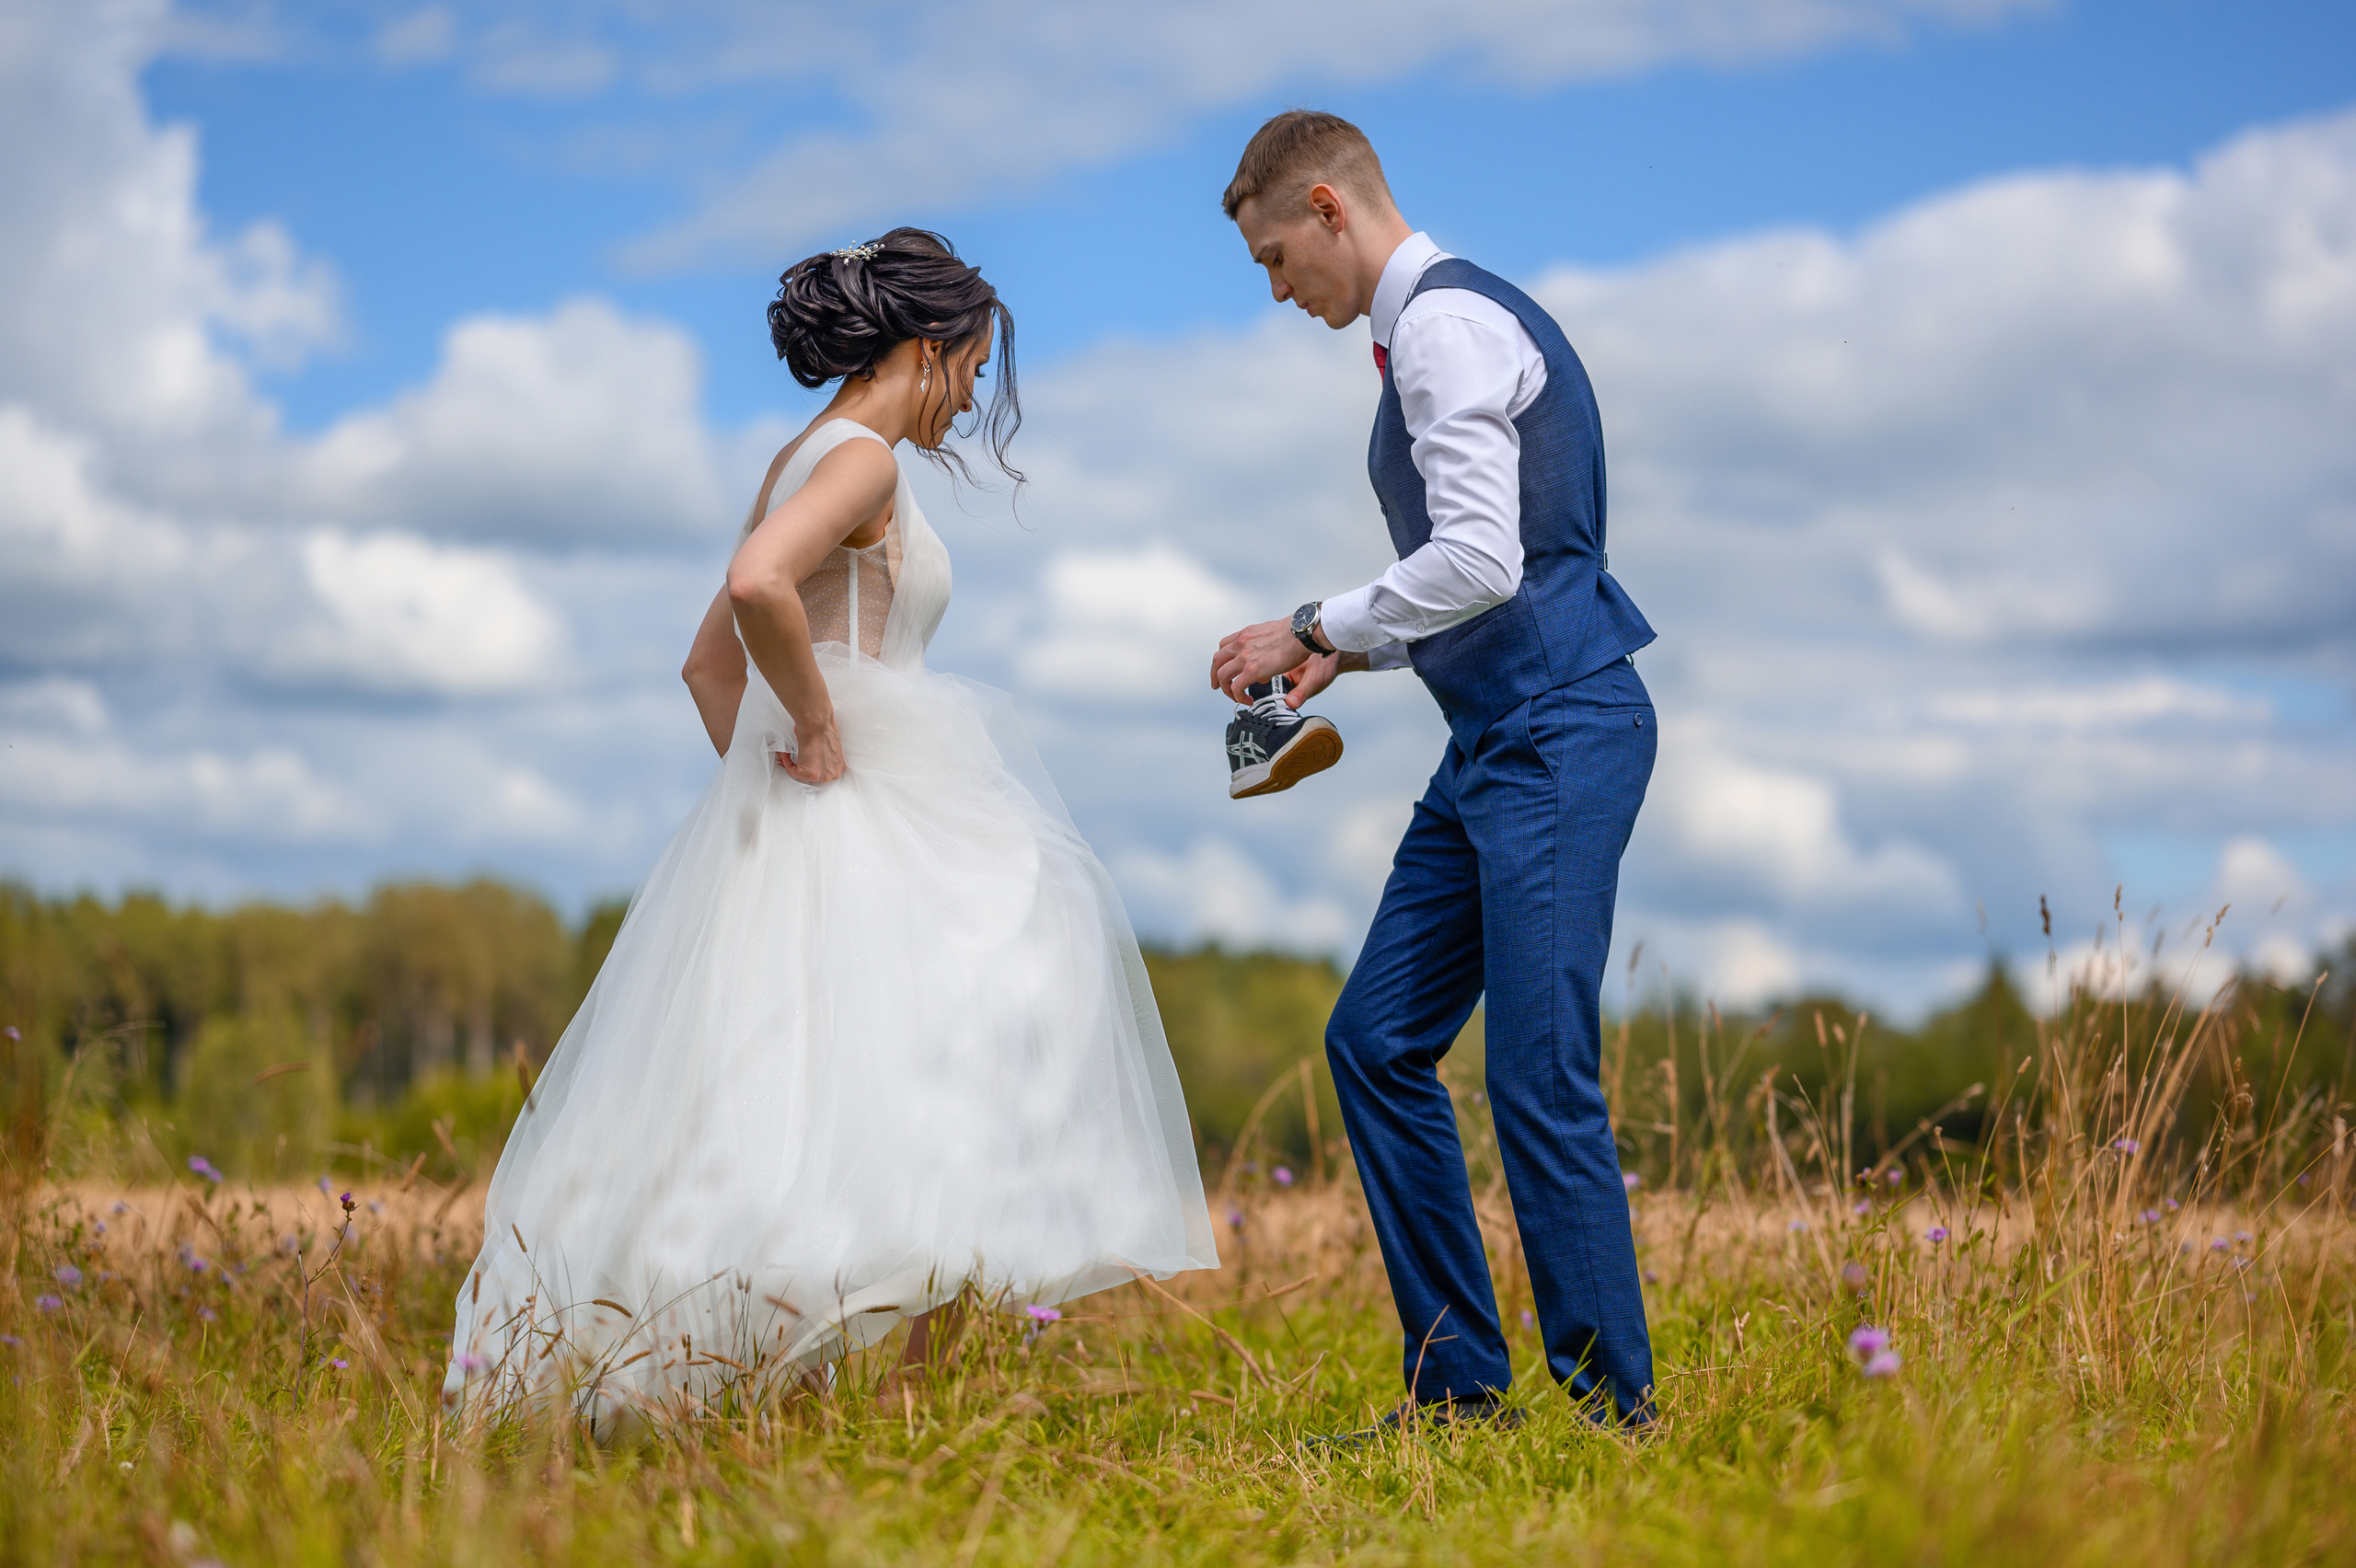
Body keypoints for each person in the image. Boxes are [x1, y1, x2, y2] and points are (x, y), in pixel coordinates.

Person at [445, 228, 1218, 1431]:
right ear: (928, 348)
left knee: (810, 1105)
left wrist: (777, 791)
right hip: (885, 819)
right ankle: (909, 1405)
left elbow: (707, 670)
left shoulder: (796, 456)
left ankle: (790, 1399)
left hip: (812, 829)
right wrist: (822, 735)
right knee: (970, 1077)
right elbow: (759, 587)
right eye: (970, 369)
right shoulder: (862, 464)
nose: (970, 398)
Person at [1209, 113, 1659, 1432]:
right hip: (1494, 743)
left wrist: (1308, 625)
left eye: (1274, 257)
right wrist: (1348, 662)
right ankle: (1462, 1390)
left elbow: (1483, 561)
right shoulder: (1421, 340)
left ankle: (1608, 1417)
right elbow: (1484, 567)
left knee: (1537, 1071)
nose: (1278, 289)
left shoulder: (1450, 329)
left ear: (1329, 209)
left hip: (1562, 730)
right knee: (1377, 1041)